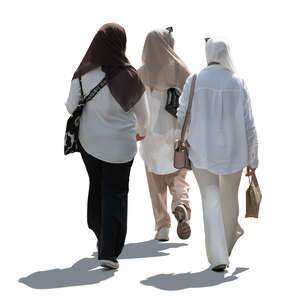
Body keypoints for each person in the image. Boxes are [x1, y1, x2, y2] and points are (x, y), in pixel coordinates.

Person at [65, 23, 149, 270]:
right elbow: (144, 117)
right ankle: (109, 251)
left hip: (90, 144)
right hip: (122, 147)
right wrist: (140, 133)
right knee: (116, 192)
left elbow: (71, 107)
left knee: (97, 185)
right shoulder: (131, 76)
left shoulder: (83, 73)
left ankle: (100, 234)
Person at [177, 38, 258, 271]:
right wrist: (253, 159)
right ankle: (227, 244)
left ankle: (218, 255)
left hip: (201, 151)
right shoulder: (238, 82)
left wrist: (188, 135)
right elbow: (249, 123)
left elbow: (182, 114)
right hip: (234, 152)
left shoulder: (194, 80)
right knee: (229, 200)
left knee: (210, 200)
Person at [138, 28, 191, 242]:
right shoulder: (182, 70)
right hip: (177, 136)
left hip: (150, 136)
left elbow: (134, 106)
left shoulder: (141, 73)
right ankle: (181, 204)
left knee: (155, 183)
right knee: (179, 179)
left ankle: (162, 227)